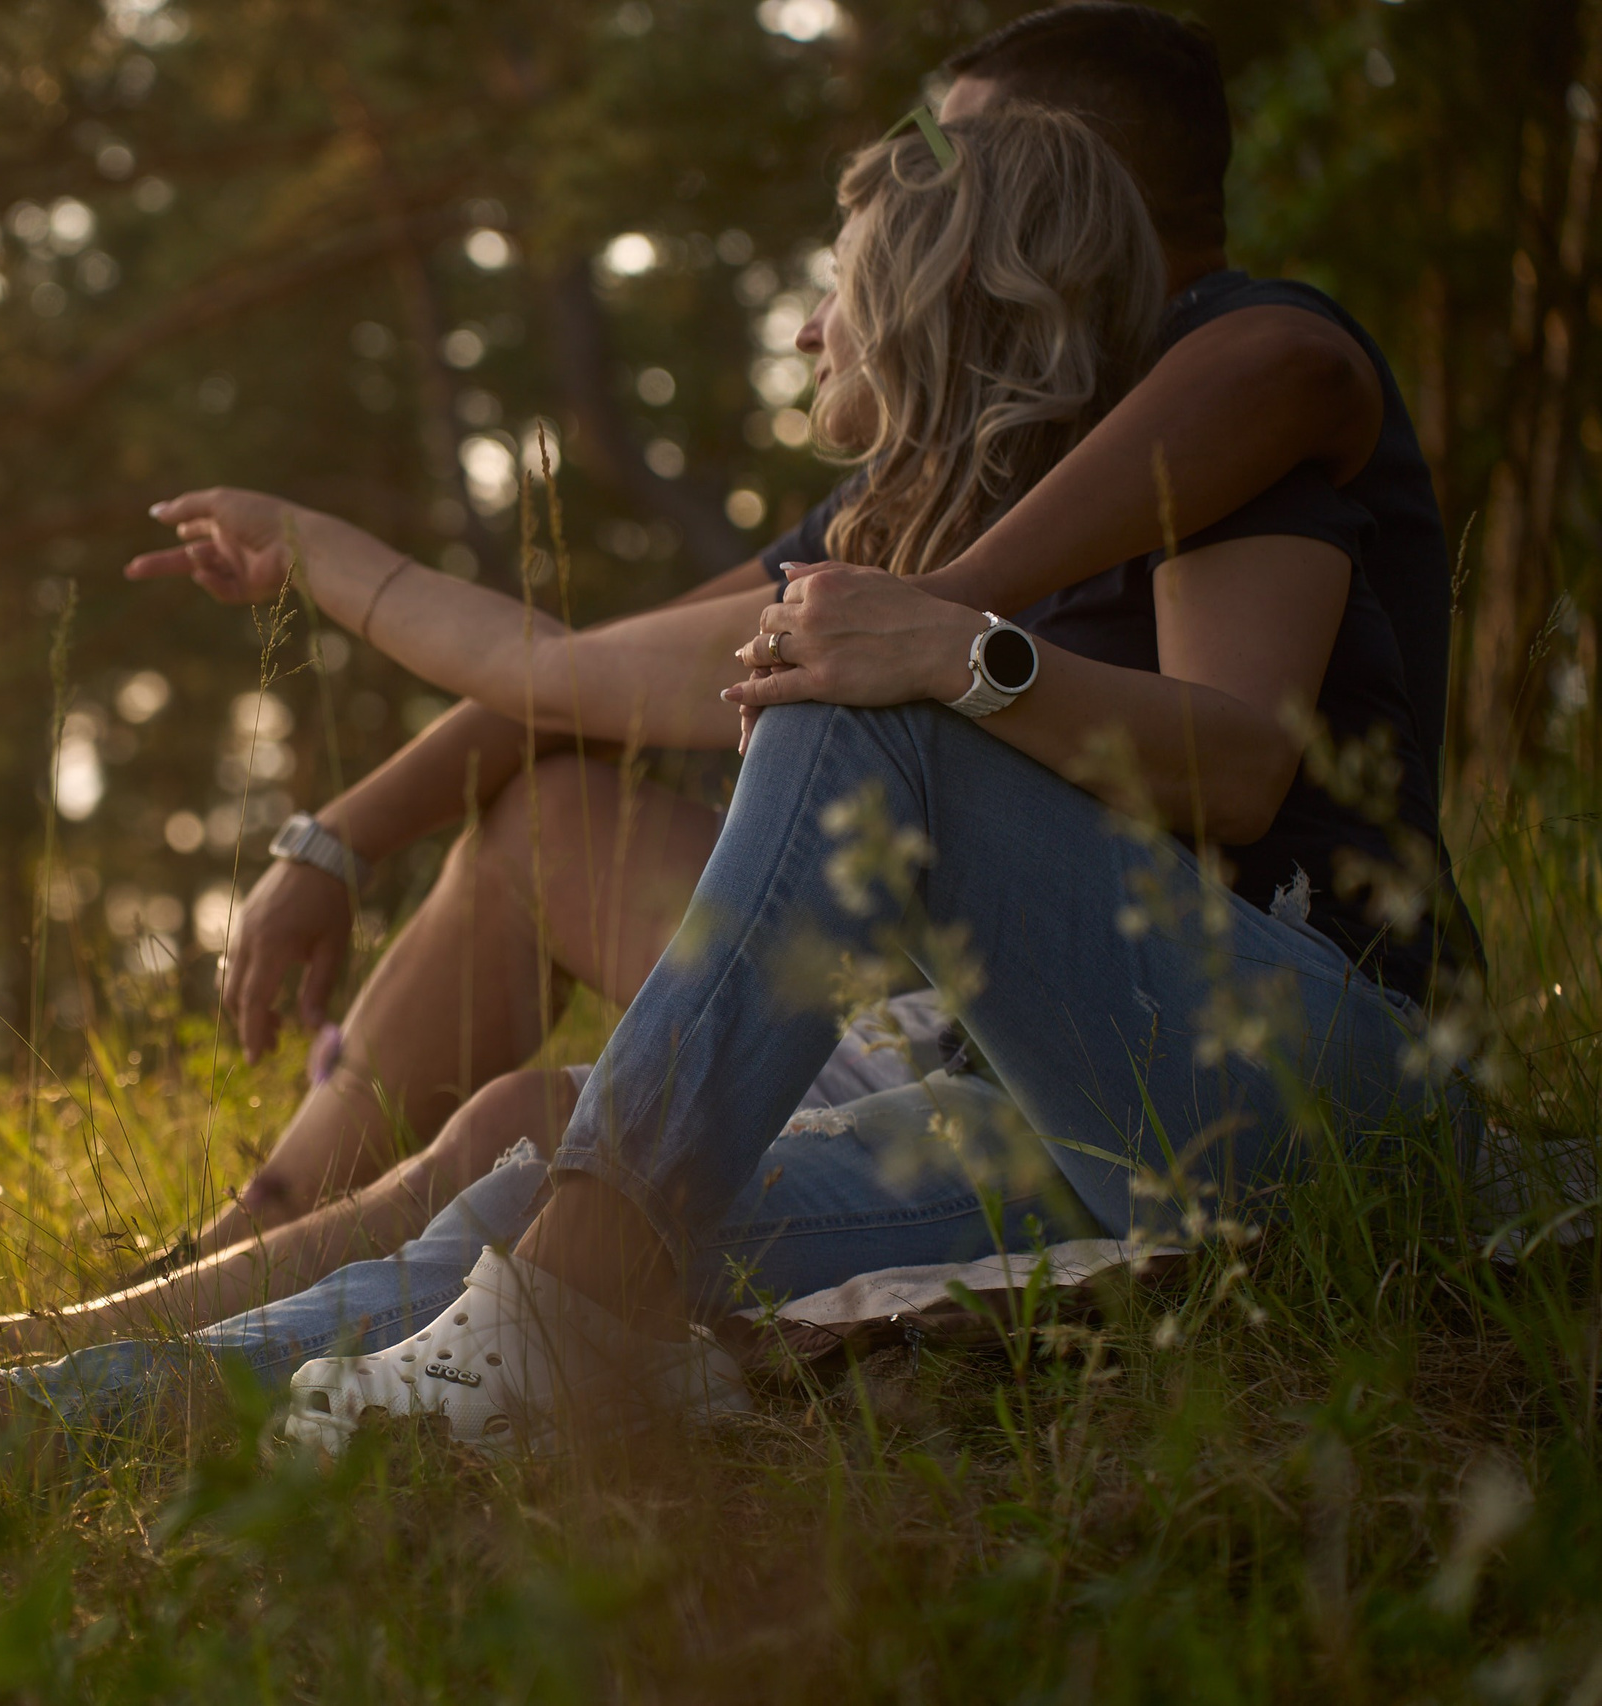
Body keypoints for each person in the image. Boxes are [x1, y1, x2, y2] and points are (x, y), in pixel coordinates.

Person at [0, 101, 1281, 1486]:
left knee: (556, 1182)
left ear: (927, 295)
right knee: (496, 1187)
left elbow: (1247, 776)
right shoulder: (868, 546)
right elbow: (560, 675)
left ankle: (16, 1401)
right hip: (965, 1094)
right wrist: (320, 558)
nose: (801, 322)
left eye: (835, 286)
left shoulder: (1140, 514)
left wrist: (961, 652)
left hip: (1132, 1095)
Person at [129, 2, 1406, 1279]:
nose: (916, 184)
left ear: (1055, 170)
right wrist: (340, 833)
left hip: (1187, 1017)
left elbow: (1288, 382)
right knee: (548, 842)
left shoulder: (1227, 359)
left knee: (824, 740)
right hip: (947, 1004)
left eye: (946, 155)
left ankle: (574, 1284)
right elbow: (595, 673)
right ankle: (220, 1265)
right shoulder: (925, 484)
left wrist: (942, 614)